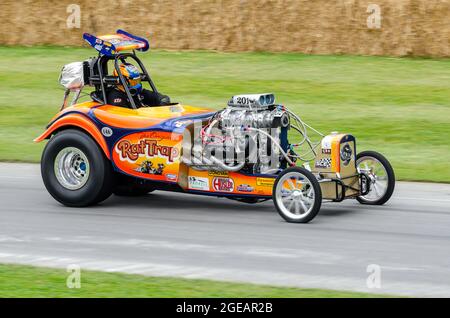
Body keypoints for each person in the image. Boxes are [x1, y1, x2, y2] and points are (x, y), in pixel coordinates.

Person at [106, 62, 171, 108]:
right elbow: (123, 116)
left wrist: (163, 101)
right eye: (133, 82)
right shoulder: (115, 96)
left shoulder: (139, 93)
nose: (136, 84)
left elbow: (160, 98)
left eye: (137, 81)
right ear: (122, 81)